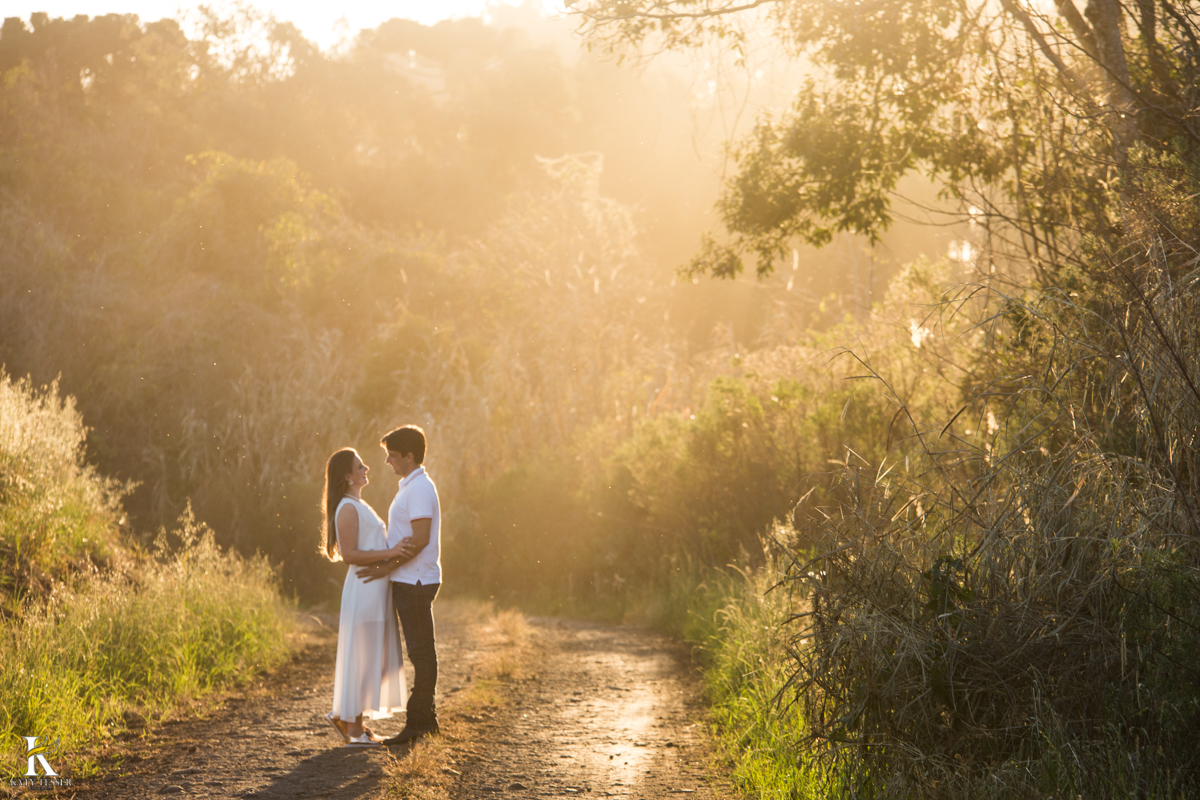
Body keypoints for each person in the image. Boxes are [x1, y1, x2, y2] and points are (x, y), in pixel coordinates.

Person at [321, 447, 413, 747]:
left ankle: (349, 720)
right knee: (363, 655)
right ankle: (353, 729)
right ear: (347, 477)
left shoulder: (358, 504)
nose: (367, 469)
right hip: (363, 589)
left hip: (374, 589)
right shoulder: (347, 507)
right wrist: (391, 552)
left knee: (369, 654)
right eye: (360, 466)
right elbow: (349, 555)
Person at [358, 425, 442, 744]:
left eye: (392, 456)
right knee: (421, 653)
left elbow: (419, 539)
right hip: (409, 579)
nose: (387, 462)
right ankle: (426, 720)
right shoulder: (410, 485)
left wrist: (386, 567)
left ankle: (419, 723)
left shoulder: (419, 488)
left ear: (409, 456)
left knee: (422, 654)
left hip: (415, 581)